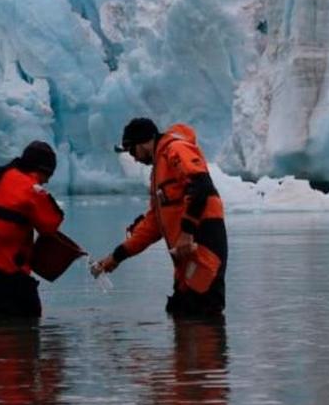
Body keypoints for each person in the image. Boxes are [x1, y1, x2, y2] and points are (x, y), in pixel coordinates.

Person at [91, 118, 228, 317]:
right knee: (180, 310)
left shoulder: (176, 150)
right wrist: (116, 256)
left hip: (203, 244)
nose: (134, 158)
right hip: (184, 256)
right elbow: (153, 225)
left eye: (132, 150)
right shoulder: (159, 172)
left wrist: (187, 233)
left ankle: (211, 348)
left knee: (203, 310)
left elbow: (201, 186)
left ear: (144, 142)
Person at [0, 140, 64, 318]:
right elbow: (50, 224)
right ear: (44, 171)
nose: (47, 182)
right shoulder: (32, 189)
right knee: (25, 332)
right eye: (48, 177)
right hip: (4, 275)